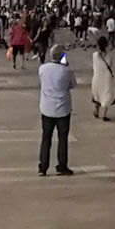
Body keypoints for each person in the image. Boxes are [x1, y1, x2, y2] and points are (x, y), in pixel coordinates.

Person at [38, 46, 75, 175]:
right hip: (63, 108)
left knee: (46, 137)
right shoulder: (66, 70)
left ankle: (43, 166)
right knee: (62, 138)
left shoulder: (43, 69)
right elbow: (73, 84)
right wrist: (65, 65)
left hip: (47, 107)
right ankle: (62, 165)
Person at [91, 35, 115, 121]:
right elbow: (111, 66)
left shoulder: (95, 55)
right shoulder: (109, 56)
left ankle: (96, 111)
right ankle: (104, 114)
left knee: (97, 95)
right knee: (107, 94)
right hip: (107, 78)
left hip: (97, 77)